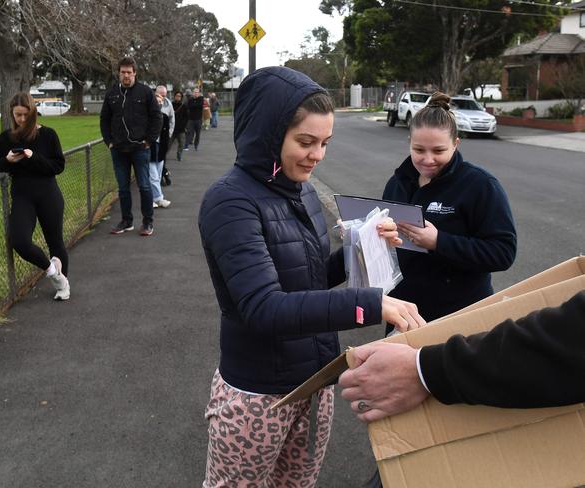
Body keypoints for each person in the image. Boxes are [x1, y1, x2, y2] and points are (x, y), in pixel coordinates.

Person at [198, 66, 425, 488]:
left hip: (314, 383)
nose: (317, 155)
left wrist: (365, 244)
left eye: (324, 143)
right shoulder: (229, 202)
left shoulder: (299, 189)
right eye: (305, 142)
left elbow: (311, 277)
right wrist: (370, 305)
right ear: (269, 133)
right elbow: (264, 308)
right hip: (257, 395)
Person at [340, 290, 585, 423]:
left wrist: (425, 369)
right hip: (418, 330)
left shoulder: (484, 193)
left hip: (459, 320)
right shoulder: (399, 192)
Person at [382, 91, 517, 324]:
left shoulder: (480, 185)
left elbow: (503, 253)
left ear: (456, 144)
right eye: (418, 150)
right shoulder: (398, 183)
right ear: (409, 143)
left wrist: (438, 242)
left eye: (438, 151)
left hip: (460, 315)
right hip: (405, 312)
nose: (427, 159)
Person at [0, 92, 70, 301]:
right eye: (18, 115)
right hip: (22, 196)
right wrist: (8, 160)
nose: (22, 119)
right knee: (20, 241)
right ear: (12, 114)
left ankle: (63, 286)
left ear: (33, 113)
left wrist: (34, 157)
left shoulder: (49, 135)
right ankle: (53, 271)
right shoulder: (6, 138)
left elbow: (57, 166)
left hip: (48, 194)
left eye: (26, 115)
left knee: (56, 242)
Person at [100, 57, 162, 236]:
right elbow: (104, 119)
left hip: (140, 148)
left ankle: (148, 222)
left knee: (144, 185)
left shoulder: (145, 92)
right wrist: (109, 141)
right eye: (123, 72)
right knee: (123, 188)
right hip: (118, 149)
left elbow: (156, 117)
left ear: (135, 73)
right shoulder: (112, 94)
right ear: (118, 73)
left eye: (129, 72)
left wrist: (149, 140)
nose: (126, 75)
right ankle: (126, 221)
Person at [149, 92, 171, 209]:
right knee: (153, 177)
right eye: (156, 101)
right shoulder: (147, 117)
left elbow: (165, 136)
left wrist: (165, 149)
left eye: (161, 101)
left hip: (160, 150)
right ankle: (159, 198)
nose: (159, 103)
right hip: (149, 149)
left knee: (157, 176)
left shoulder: (165, 117)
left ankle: (153, 198)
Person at [155, 85, 174, 187]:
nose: (163, 97)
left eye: (165, 95)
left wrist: (169, 134)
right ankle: (161, 177)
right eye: (161, 95)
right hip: (154, 138)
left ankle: (163, 176)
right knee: (155, 161)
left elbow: (172, 120)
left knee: (162, 159)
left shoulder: (168, 104)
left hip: (164, 137)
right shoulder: (152, 102)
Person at [170, 91, 188, 161]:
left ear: (181, 97)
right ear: (174, 96)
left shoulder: (183, 106)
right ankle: (164, 155)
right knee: (168, 144)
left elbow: (186, 117)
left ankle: (179, 154)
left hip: (181, 129)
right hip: (172, 129)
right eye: (176, 96)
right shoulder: (171, 104)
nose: (178, 97)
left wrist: (183, 126)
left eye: (179, 96)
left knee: (181, 143)